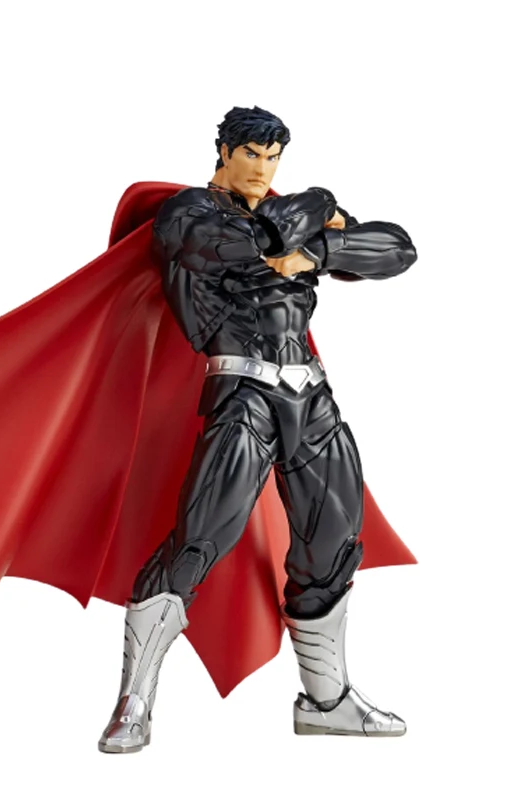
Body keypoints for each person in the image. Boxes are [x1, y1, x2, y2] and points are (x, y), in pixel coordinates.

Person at [98, 106, 417, 753]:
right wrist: (316, 205)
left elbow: (397, 249)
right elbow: (240, 244)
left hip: (311, 396)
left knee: (334, 543)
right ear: (223, 152)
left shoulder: (290, 221)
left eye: (273, 158)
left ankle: (327, 701)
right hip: (241, 394)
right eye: (252, 155)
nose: (263, 169)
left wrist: (318, 252)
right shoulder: (189, 212)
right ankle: (134, 704)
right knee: (199, 541)